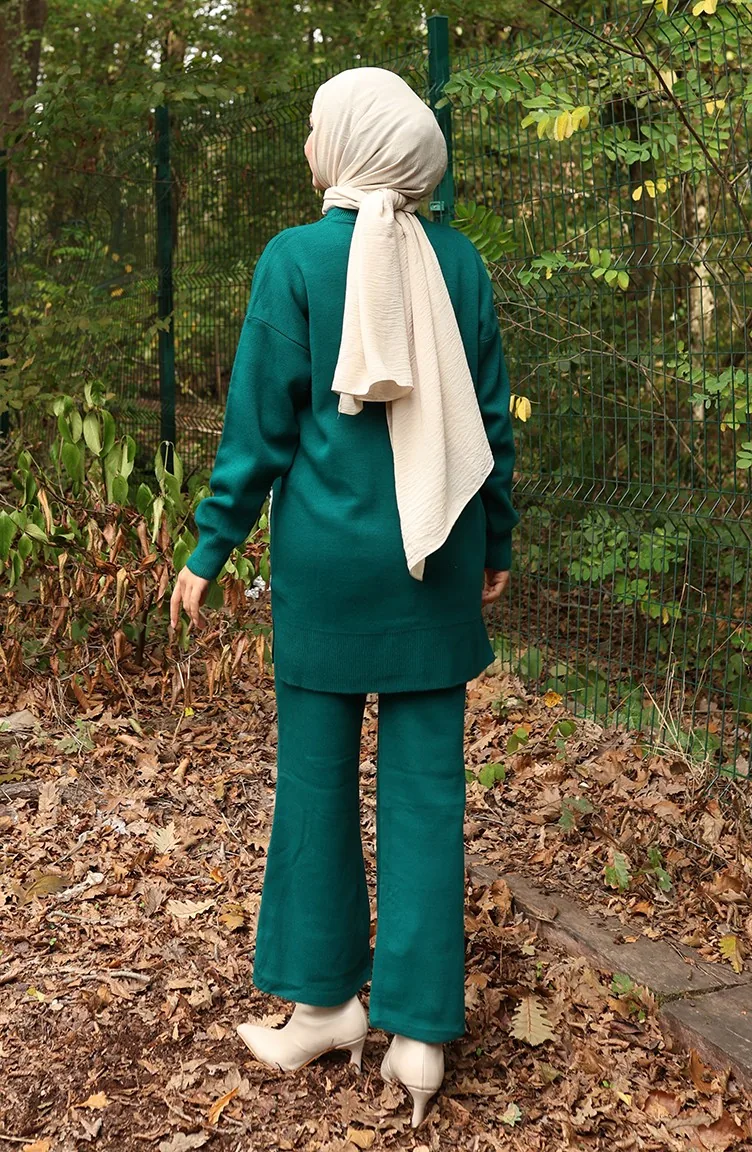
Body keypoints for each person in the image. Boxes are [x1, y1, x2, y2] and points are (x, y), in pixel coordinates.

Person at [170, 66, 519, 1128]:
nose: (307, 145)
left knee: (315, 786)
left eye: (317, 128)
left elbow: (259, 428)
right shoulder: (459, 262)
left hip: (325, 571)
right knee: (426, 797)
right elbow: (490, 420)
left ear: (352, 142)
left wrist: (211, 544)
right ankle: (418, 1035)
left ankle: (325, 1006)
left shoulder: (295, 260)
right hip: (436, 561)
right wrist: (497, 537)